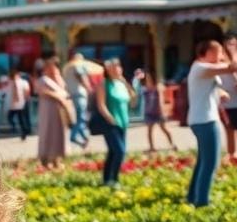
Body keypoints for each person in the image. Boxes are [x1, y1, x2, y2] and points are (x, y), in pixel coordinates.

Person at [187, 40, 237, 207]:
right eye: (217, 52)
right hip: (206, 120)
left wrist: (219, 92)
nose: (220, 56)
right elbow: (232, 67)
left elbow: (206, 89)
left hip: (202, 119)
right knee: (211, 163)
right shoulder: (200, 67)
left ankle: (193, 197)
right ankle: (202, 202)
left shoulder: (201, 69)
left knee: (203, 160)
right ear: (206, 53)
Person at [94, 58, 135, 187]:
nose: (116, 69)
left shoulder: (121, 84)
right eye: (113, 67)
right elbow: (101, 105)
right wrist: (110, 119)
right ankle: (114, 179)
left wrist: (124, 81)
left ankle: (107, 179)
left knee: (113, 152)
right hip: (110, 123)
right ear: (108, 70)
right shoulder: (103, 84)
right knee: (120, 151)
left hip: (123, 122)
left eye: (118, 67)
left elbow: (133, 100)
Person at [35, 56, 70, 168]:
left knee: (59, 135)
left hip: (59, 112)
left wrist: (58, 77)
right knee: (48, 134)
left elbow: (64, 91)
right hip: (48, 112)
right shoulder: (43, 80)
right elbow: (41, 91)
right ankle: (47, 160)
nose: (54, 69)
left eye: (55, 67)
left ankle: (57, 159)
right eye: (52, 67)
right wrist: (57, 96)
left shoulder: (57, 79)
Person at [64, 53, 92, 148]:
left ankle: (84, 138)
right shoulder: (78, 66)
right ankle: (73, 137)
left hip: (72, 96)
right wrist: (89, 88)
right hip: (80, 95)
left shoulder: (67, 68)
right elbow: (82, 78)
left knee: (78, 118)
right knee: (80, 119)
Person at [142, 71, 176, 151]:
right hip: (149, 112)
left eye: (149, 77)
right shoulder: (146, 88)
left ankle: (172, 144)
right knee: (149, 130)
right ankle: (151, 147)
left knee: (164, 128)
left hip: (158, 112)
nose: (147, 79)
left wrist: (162, 111)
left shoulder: (158, 87)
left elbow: (161, 99)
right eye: (146, 78)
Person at [7, 68, 31, 140]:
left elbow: (27, 91)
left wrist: (26, 100)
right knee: (10, 117)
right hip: (13, 104)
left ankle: (24, 132)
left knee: (21, 119)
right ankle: (16, 127)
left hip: (21, 103)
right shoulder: (10, 82)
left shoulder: (23, 82)